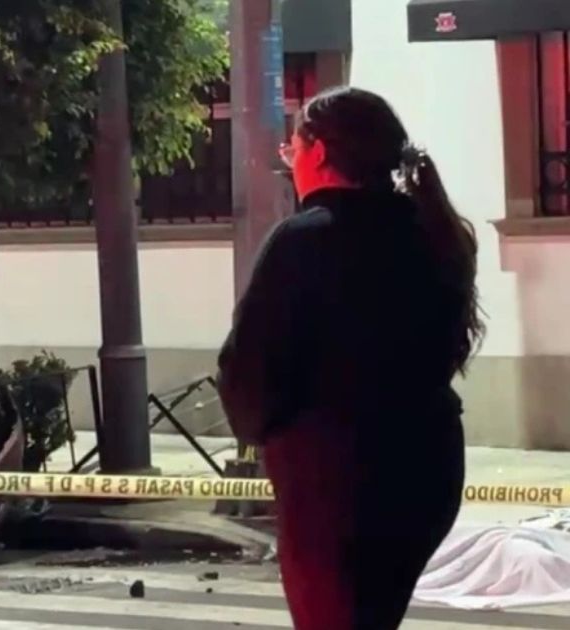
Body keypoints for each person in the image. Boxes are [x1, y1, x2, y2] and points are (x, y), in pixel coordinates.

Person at [217, 86, 483, 630]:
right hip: (427, 467)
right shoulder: (430, 232)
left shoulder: (304, 240)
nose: (290, 163)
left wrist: (263, 429)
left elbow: (250, 367)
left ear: (318, 151)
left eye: (292, 149)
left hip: (334, 481)